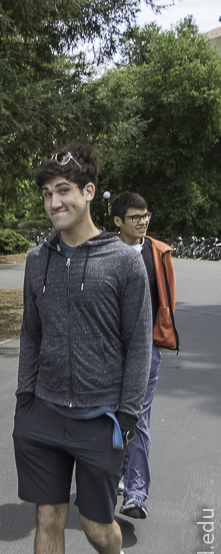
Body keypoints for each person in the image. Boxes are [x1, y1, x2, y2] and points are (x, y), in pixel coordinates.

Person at [11, 143, 152, 554]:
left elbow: (138, 345)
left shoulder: (124, 261)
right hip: (44, 412)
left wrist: (128, 417)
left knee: (96, 527)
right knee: (47, 520)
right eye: (47, 193)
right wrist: (24, 401)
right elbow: (31, 332)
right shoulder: (37, 259)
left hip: (101, 419)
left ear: (89, 192)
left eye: (64, 191)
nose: (54, 202)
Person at [112, 191, 179, 519]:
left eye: (146, 215)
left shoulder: (159, 253)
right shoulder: (105, 253)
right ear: (118, 222)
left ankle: (135, 492)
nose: (142, 222)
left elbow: (167, 302)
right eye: (135, 217)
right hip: (109, 351)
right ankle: (115, 479)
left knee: (137, 418)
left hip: (147, 350)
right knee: (110, 416)